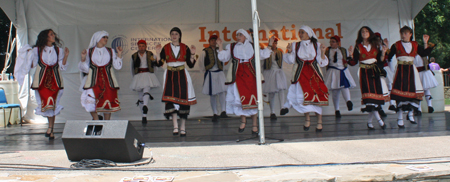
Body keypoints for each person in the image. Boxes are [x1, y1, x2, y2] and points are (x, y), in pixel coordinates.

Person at [216, 29, 274, 134]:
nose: (238, 36)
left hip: (251, 74)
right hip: (238, 74)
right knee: (239, 99)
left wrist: (269, 44)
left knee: (253, 99)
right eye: (237, 34)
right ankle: (243, 121)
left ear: (246, 37)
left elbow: (264, 54)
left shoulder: (252, 45)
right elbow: (224, 58)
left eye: (240, 35)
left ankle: (254, 125)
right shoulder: (232, 46)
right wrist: (220, 46)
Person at [14, 29, 69, 140]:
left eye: (53, 34)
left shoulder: (59, 50)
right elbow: (32, 64)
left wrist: (66, 56)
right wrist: (28, 54)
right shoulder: (36, 50)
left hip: (55, 80)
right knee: (47, 105)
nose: (54, 36)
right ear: (46, 37)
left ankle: (50, 129)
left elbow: (62, 67)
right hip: (41, 81)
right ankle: (50, 129)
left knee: (52, 105)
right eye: (51, 34)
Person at [279, 25, 329, 132]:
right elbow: (291, 60)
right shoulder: (295, 45)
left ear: (309, 34)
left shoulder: (317, 45)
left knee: (316, 98)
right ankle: (307, 119)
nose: (300, 34)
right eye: (300, 32)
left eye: (303, 32)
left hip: (314, 75)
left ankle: (319, 121)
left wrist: (323, 52)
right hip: (300, 74)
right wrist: (289, 51)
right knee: (303, 97)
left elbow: (323, 62)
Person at [387, 26, 434, 128]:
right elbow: (389, 57)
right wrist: (384, 51)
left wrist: (426, 42)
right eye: (402, 33)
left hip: (412, 70)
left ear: (410, 34)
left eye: (406, 33)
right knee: (400, 94)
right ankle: (400, 118)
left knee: (413, 93)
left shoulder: (415, 45)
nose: (403, 35)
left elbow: (424, 53)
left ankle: (411, 113)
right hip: (400, 70)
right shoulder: (396, 45)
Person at [155, 27, 197, 137]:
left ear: (179, 35)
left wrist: (192, 54)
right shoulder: (166, 47)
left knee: (184, 100)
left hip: (182, 74)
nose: (174, 36)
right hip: (170, 75)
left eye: (176, 34)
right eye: (172, 34)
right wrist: (158, 53)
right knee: (171, 100)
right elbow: (160, 64)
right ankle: (175, 126)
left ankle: (183, 127)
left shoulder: (185, 47)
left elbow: (191, 65)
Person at [348, 26, 388, 130]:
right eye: (362, 31)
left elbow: (381, 60)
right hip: (364, 72)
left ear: (370, 33)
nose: (364, 33)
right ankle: (380, 121)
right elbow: (353, 62)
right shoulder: (358, 46)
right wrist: (350, 55)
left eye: (366, 31)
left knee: (374, 99)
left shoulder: (375, 45)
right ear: (360, 34)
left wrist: (383, 52)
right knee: (370, 99)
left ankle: (370, 122)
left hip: (374, 71)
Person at [79, 31, 123, 120]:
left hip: (108, 80)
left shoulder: (110, 51)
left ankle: (106, 124)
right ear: (98, 38)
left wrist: (119, 54)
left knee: (108, 101)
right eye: (104, 37)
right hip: (93, 80)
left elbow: (117, 66)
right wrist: (83, 59)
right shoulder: (89, 51)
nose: (106, 39)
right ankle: (96, 120)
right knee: (91, 100)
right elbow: (85, 69)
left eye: (107, 37)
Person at [130, 40, 163, 124]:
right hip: (138, 75)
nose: (141, 47)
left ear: (146, 46)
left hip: (147, 74)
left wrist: (152, 74)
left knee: (146, 90)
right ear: (138, 47)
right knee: (141, 97)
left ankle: (145, 106)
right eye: (140, 46)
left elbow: (156, 64)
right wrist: (134, 77)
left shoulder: (150, 54)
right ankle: (144, 116)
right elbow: (132, 68)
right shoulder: (134, 56)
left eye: (143, 46)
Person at [324, 35, 356, 118]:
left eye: (333, 42)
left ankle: (348, 101)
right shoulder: (328, 50)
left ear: (338, 43)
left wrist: (350, 55)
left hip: (342, 71)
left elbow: (347, 60)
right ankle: (337, 110)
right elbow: (325, 61)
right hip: (333, 71)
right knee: (335, 91)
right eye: (330, 42)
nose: (331, 43)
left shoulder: (342, 50)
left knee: (345, 87)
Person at [198, 35, 228, 122]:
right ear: (209, 41)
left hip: (219, 73)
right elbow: (201, 62)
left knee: (222, 92)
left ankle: (223, 111)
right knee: (213, 94)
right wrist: (205, 72)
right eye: (212, 40)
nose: (213, 42)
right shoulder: (205, 51)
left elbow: (225, 59)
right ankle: (215, 113)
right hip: (211, 73)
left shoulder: (220, 50)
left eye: (215, 40)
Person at [262, 38, 288, 120]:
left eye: (275, 43)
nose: (274, 45)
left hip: (278, 72)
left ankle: (282, 107)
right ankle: (272, 112)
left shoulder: (280, 52)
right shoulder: (266, 52)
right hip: (270, 72)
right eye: (273, 43)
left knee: (281, 90)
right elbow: (263, 64)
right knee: (271, 92)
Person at [374, 32, 396, 115]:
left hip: (385, 68)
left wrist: (386, 48)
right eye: (376, 39)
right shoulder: (372, 48)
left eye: (379, 39)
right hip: (377, 68)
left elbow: (389, 57)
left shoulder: (383, 47)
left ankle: (392, 104)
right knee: (379, 88)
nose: (378, 41)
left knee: (390, 85)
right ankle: (380, 107)